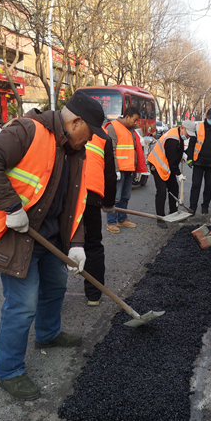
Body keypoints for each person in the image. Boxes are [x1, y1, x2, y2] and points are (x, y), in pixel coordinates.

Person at [0, 90, 105, 400]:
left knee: (56, 286)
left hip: (51, 236)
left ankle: (48, 334)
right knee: (22, 304)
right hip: (19, 236)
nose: (91, 140)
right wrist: (12, 208)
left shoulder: (76, 152)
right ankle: (9, 371)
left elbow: (76, 201)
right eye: (90, 133)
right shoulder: (28, 131)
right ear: (77, 121)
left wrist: (77, 243)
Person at [83, 126, 117, 306]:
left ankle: (48, 298)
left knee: (58, 244)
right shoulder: (104, 137)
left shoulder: (62, 126)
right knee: (92, 245)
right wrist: (109, 204)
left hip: (65, 195)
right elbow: (110, 175)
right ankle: (93, 295)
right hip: (90, 196)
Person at [147, 120, 195, 228]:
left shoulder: (178, 133)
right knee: (162, 191)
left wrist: (182, 154)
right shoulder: (172, 140)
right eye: (188, 134)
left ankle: (174, 213)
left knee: (174, 188)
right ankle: (160, 218)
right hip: (157, 164)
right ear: (182, 128)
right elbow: (172, 161)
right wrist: (178, 174)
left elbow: (177, 151)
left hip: (167, 166)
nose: (188, 137)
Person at [105, 107, 141, 233]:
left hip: (129, 168)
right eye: (135, 120)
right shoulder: (112, 127)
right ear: (127, 117)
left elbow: (133, 150)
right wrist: (115, 169)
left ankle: (122, 219)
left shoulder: (131, 130)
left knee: (125, 196)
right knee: (115, 197)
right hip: (119, 169)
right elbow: (111, 150)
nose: (136, 122)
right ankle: (111, 222)